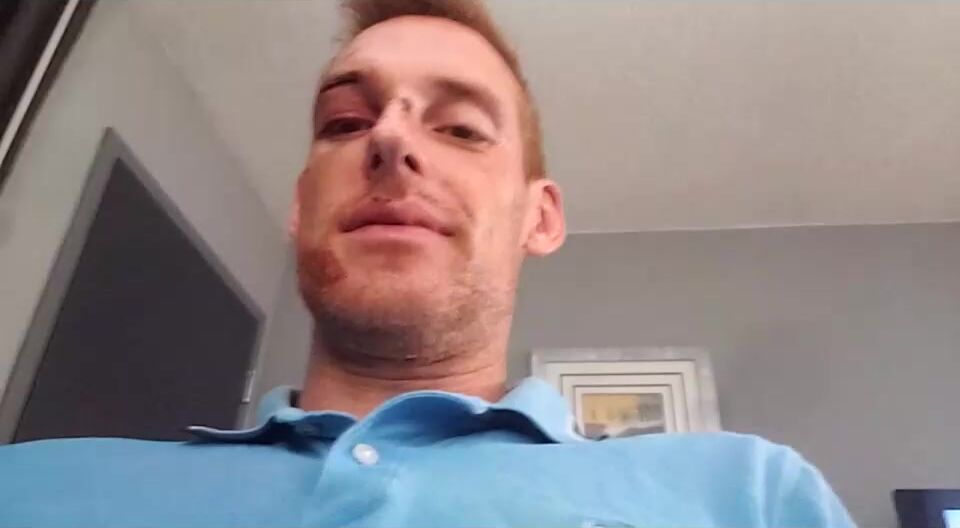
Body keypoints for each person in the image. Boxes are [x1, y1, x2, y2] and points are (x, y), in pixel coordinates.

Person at [0, 1, 856, 527]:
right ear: (300, 208)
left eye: (460, 129)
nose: (389, 139)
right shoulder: (26, 488)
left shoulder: (746, 494)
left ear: (540, 217)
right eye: (345, 123)